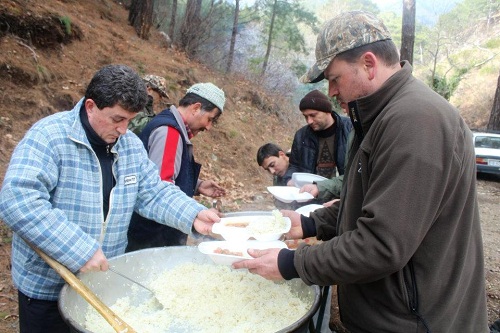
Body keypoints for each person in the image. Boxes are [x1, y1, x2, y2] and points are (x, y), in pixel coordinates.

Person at [234, 11, 489, 332]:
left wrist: (291, 262)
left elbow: (382, 244)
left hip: (414, 321)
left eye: (335, 78)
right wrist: (313, 222)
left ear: (369, 64)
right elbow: (375, 200)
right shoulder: (381, 116)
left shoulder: (414, 121)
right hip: (392, 314)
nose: (332, 92)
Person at [0, 64, 220, 333]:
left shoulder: (129, 147)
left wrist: (193, 214)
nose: (124, 130)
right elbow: (18, 200)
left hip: (102, 285)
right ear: (91, 106)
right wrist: (78, 248)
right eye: (117, 119)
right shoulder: (49, 137)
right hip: (47, 287)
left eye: (129, 120)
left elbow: (153, 191)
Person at [126, 82, 226, 251]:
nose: (208, 127)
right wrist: (196, 215)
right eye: (210, 119)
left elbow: (160, 174)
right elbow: (159, 189)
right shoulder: (169, 132)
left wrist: (198, 185)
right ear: (195, 108)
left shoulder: (174, 128)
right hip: (152, 239)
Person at [284, 89, 352, 191]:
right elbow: (294, 166)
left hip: (342, 194)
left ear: (327, 111)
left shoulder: (350, 129)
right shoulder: (301, 136)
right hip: (309, 195)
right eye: (305, 116)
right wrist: (289, 179)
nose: (309, 121)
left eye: (313, 115)